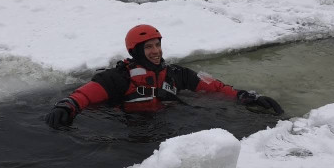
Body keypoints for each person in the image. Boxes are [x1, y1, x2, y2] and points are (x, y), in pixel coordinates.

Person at [45, 24, 283, 128]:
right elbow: (84, 95)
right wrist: (66, 106)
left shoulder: (177, 74)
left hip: (165, 124)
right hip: (126, 128)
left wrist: (245, 96)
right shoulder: (118, 77)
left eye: (157, 45)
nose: (156, 51)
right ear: (136, 51)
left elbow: (216, 88)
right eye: (149, 47)